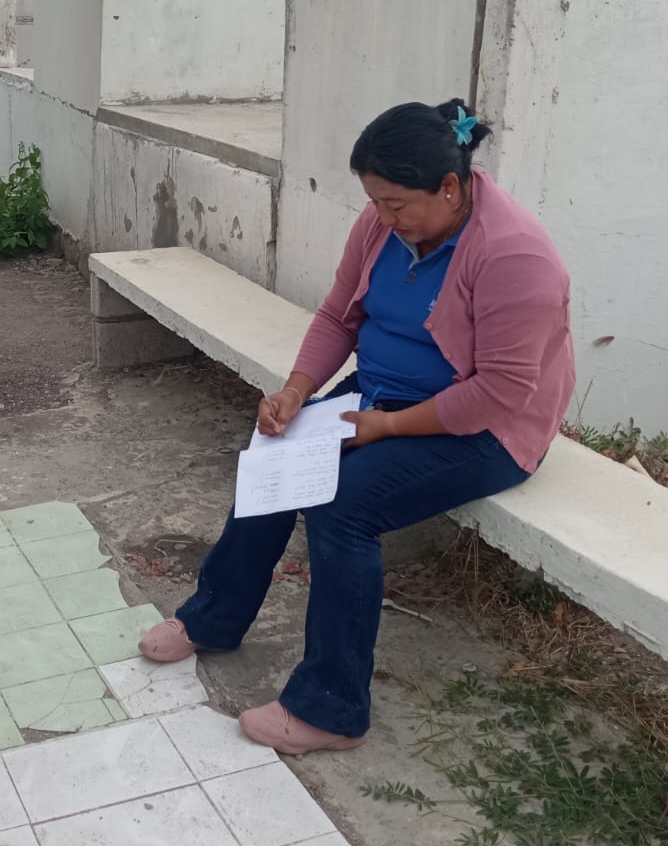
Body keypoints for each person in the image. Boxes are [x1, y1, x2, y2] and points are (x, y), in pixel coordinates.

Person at [137, 99, 575, 755]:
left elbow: (501, 393)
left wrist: (388, 428)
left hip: (487, 430)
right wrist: (296, 392)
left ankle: (332, 709)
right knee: (275, 459)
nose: (382, 218)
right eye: (374, 202)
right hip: (381, 396)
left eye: (395, 204)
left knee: (342, 506)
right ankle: (214, 618)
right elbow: (340, 317)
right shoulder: (382, 226)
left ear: (449, 188)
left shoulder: (514, 256)